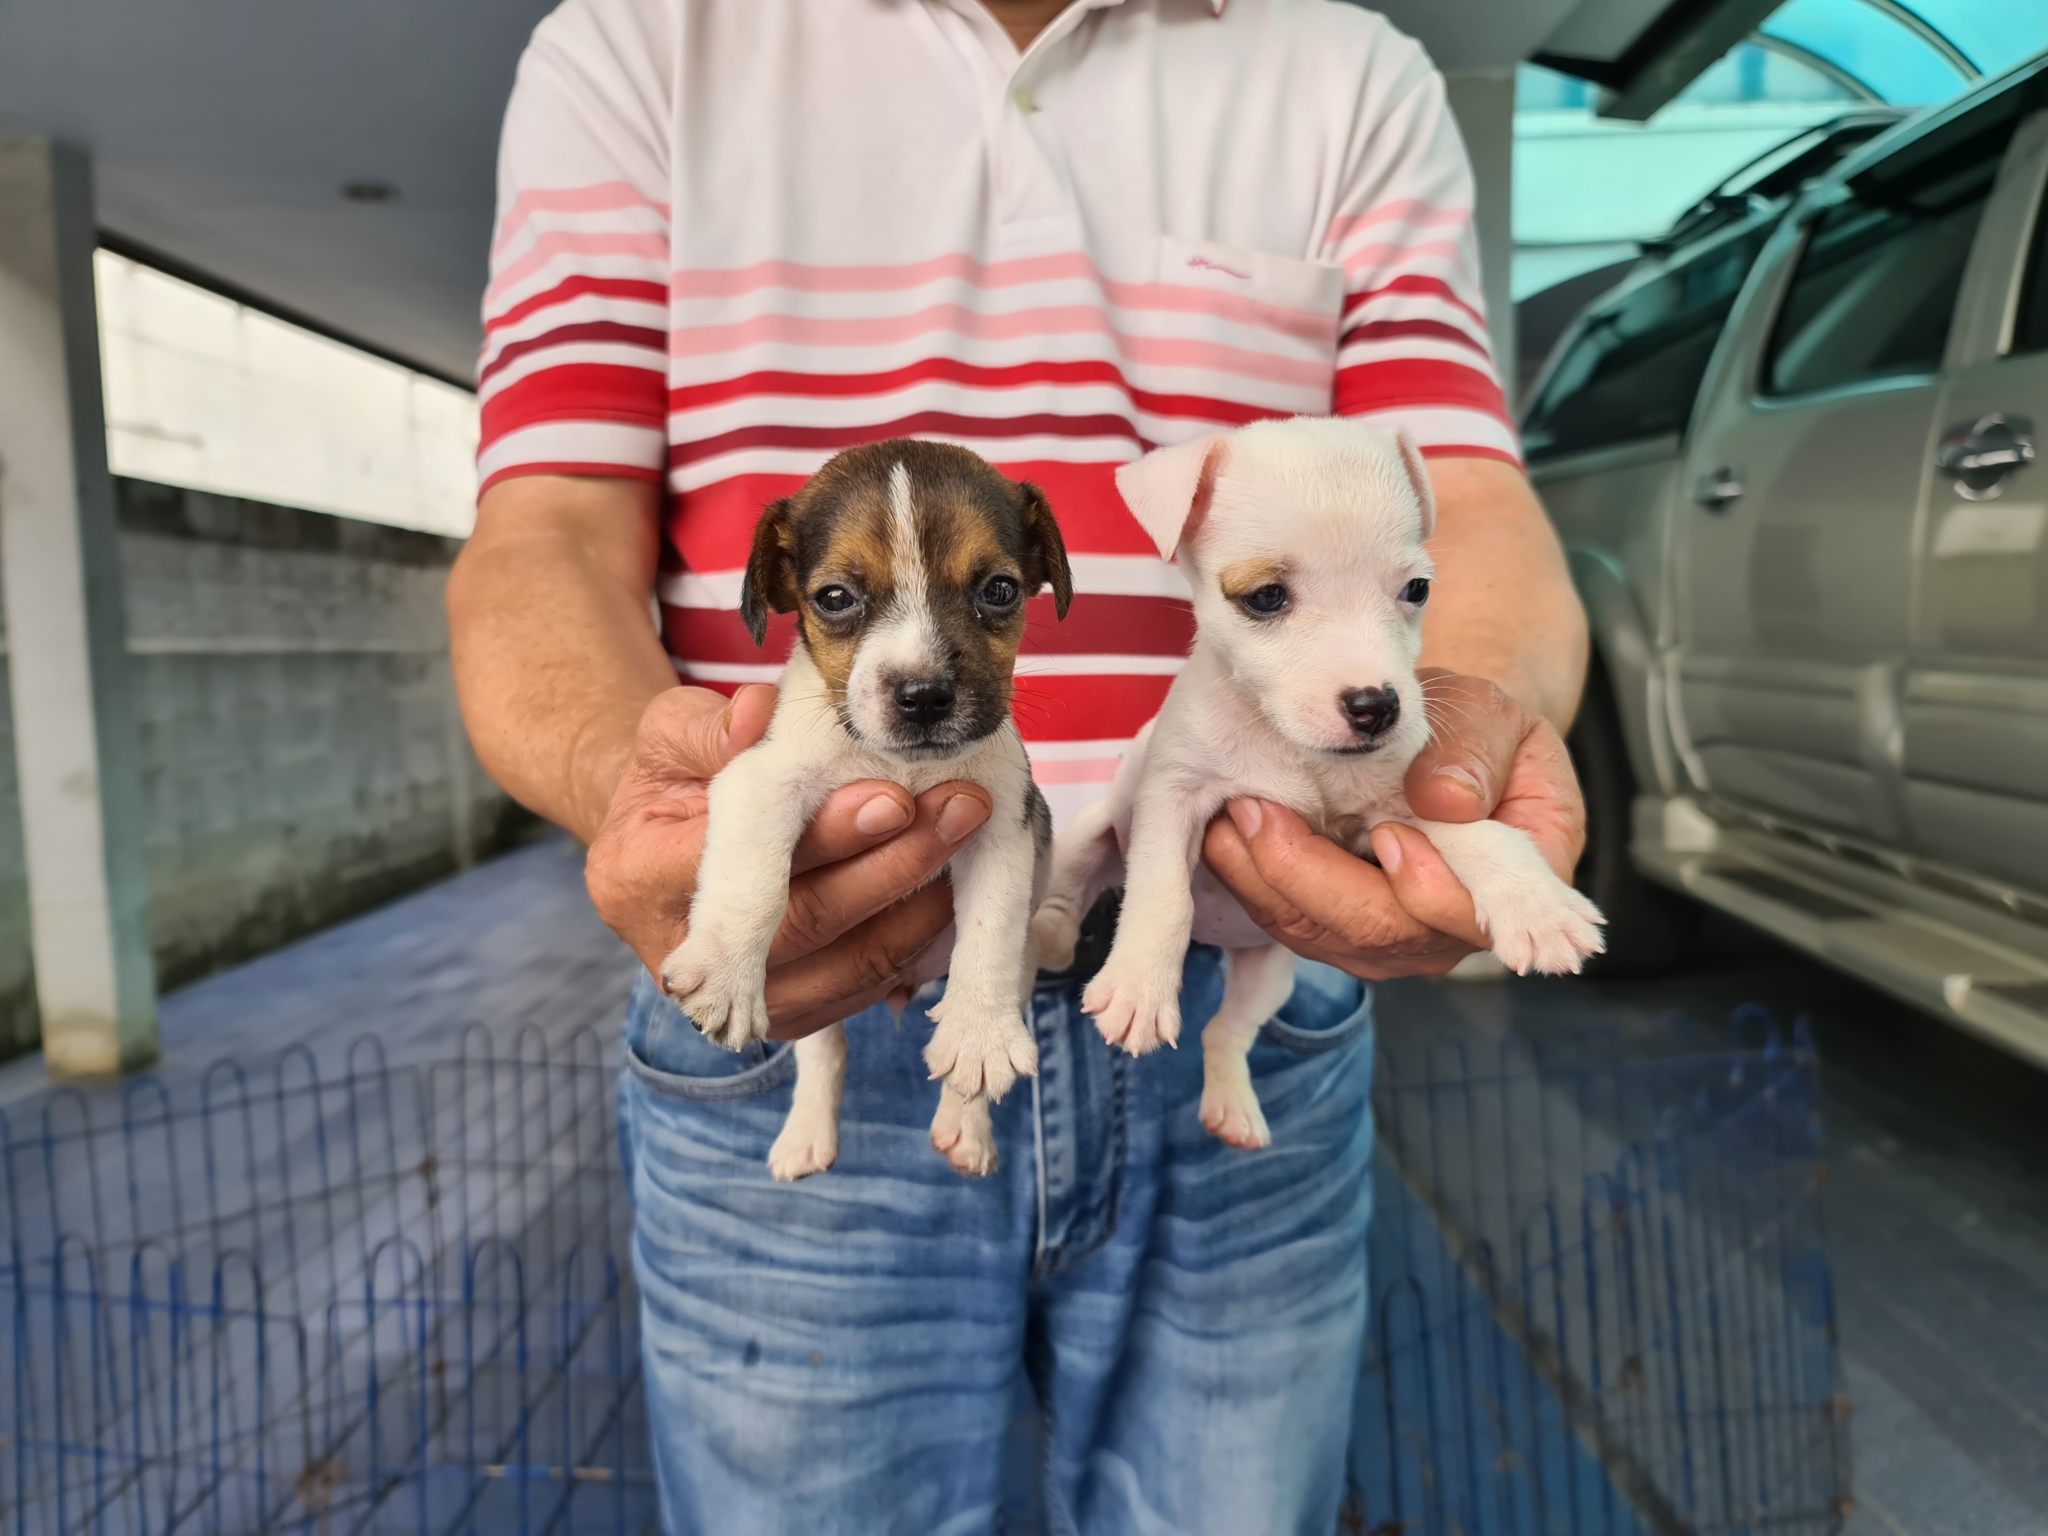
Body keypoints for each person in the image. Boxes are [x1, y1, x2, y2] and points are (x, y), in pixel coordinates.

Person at [447, 0, 1589, 1529]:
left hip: (1251, 962)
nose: (924, 661)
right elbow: (544, 529)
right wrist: (638, 790)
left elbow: (1469, 507)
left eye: (995, 596)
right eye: (841, 603)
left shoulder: (1347, 70)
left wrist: (1464, 727)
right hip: (807, 979)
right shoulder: (641, 39)